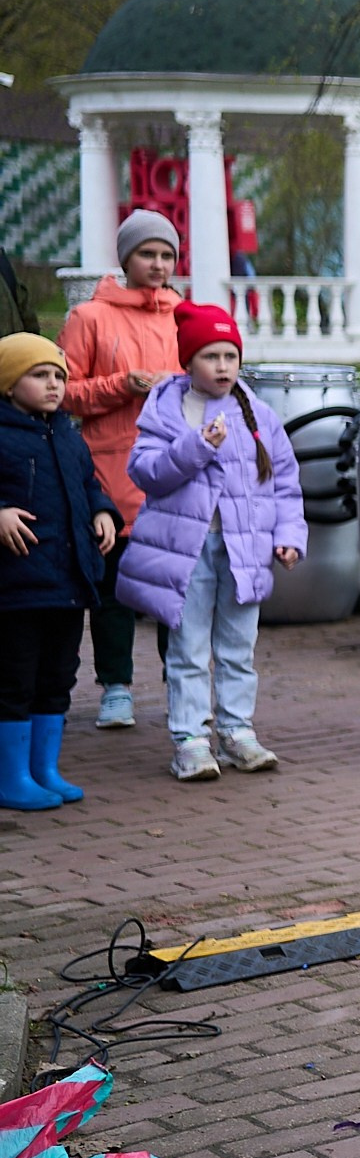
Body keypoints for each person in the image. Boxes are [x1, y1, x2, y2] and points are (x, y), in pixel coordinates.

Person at [119, 304, 303, 782]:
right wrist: (197, 446)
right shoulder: (166, 408)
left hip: (246, 551)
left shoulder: (258, 413)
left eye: (230, 355)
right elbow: (146, 472)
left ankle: (238, 731)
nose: (223, 366)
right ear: (187, 362)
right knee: (189, 647)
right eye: (210, 356)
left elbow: (284, 482)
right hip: (189, 551)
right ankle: (190, 740)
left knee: (239, 646)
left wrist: (287, 537)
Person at [59, 210, 184, 730]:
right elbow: (62, 394)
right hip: (109, 473)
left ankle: (182, 686)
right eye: (147, 254)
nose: (157, 265)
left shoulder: (185, 314)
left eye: (166, 255)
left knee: (174, 591)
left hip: (174, 476)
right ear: (125, 258)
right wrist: (120, 387)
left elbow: (211, 382)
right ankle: (117, 687)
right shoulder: (89, 317)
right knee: (112, 591)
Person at [0, 334, 118, 809]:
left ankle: (43, 768)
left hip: (68, 582)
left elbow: (88, 483)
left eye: (59, 376)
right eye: (39, 375)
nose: (53, 385)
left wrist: (103, 511)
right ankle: (11, 778)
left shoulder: (67, 434)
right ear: (9, 385)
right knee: (14, 680)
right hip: (17, 586)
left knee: (57, 676)